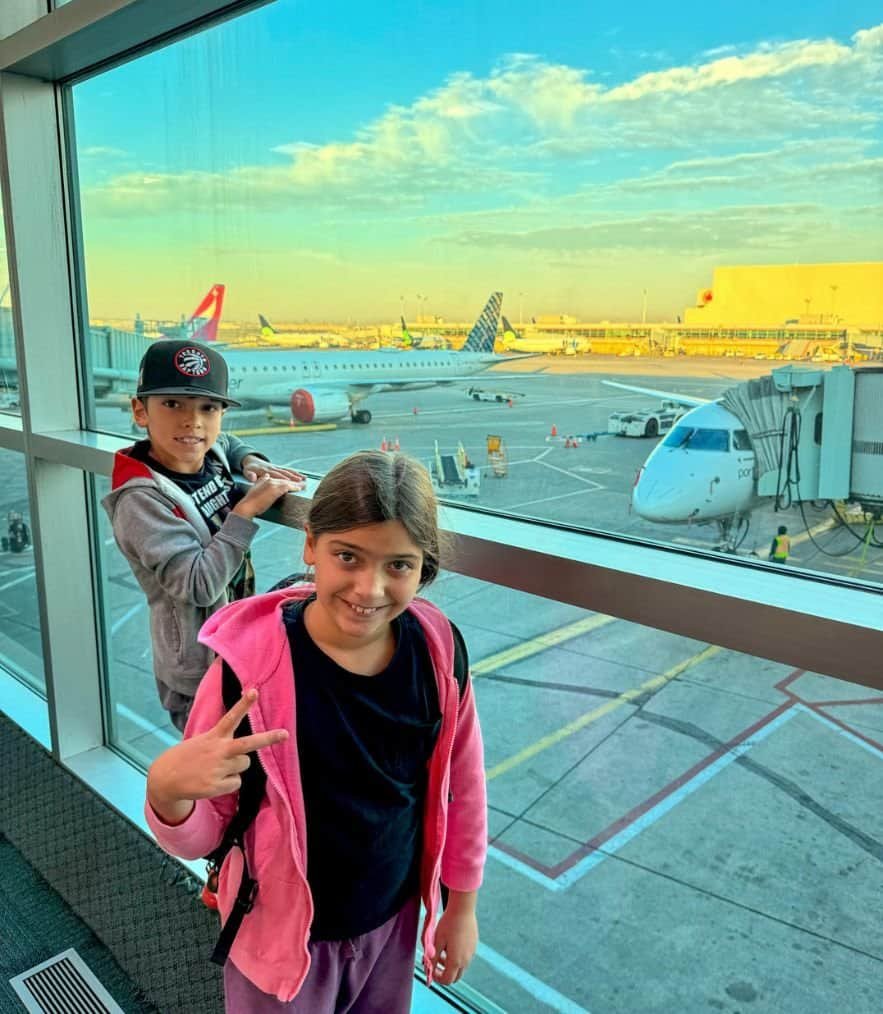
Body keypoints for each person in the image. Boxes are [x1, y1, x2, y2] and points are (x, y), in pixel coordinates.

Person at [145, 451, 487, 1012]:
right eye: (347, 556)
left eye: (397, 565)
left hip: (391, 925)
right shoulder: (248, 670)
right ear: (311, 547)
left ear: (423, 567)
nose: (369, 588)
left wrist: (461, 907)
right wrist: (167, 789)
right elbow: (207, 834)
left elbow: (463, 787)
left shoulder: (439, 655)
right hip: (279, 941)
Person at [103, 338, 305, 731]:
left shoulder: (207, 455)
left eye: (208, 408)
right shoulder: (141, 500)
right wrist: (246, 511)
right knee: (213, 770)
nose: (192, 421)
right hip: (196, 669)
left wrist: (249, 461)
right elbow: (197, 585)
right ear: (140, 412)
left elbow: (227, 443)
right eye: (173, 404)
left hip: (233, 642)